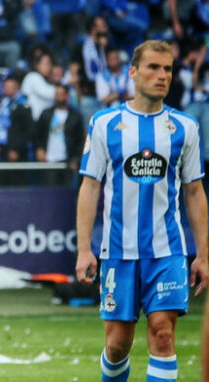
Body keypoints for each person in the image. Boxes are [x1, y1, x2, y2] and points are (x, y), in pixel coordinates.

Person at [76, 40, 209, 382]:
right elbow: (90, 186)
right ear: (133, 72)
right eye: (153, 67)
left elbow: (195, 192)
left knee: (162, 335)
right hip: (118, 251)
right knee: (118, 344)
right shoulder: (105, 123)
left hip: (167, 252)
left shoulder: (185, 127)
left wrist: (203, 254)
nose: (162, 75)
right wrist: (83, 249)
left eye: (167, 69)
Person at [33, 84, 84, 187]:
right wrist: (39, 148)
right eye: (56, 94)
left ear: (67, 96)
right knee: (49, 193)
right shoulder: (46, 114)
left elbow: (80, 140)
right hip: (49, 160)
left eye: (61, 94)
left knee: (67, 195)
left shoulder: (75, 116)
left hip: (68, 162)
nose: (58, 97)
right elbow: (37, 134)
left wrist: (76, 158)